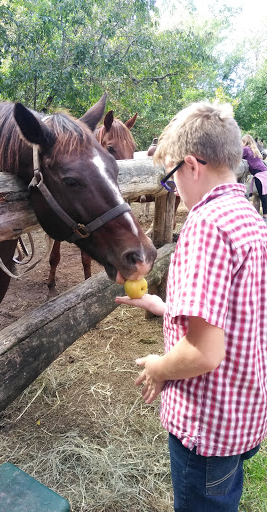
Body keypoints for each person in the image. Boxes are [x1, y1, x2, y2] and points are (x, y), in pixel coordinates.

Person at [115, 101, 267, 512]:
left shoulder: (205, 226)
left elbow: (204, 351)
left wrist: (157, 367)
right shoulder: (249, 219)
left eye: (170, 179)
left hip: (206, 431)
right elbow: (238, 314)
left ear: (191, 165)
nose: (174, 191)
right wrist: (164, 306)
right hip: (242, 419)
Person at [242, 134, 267, 223]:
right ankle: (265, 216)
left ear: (245, 142)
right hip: (264, 172)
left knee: (263, 195)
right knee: (264, 195)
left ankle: (265, 217)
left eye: (242, 142)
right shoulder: (253, 150)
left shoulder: (245, 149)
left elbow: (237, 156)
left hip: (260, 174)